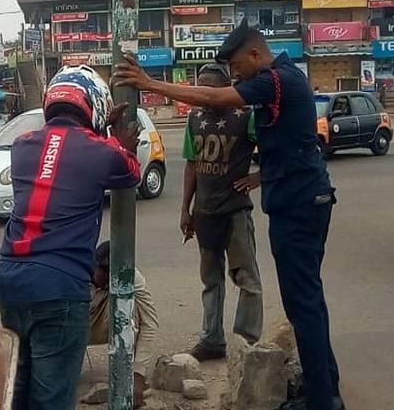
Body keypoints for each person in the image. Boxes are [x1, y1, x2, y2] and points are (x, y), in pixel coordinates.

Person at [114, 23, 345, 410]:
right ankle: (325, 387)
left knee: (302, 303)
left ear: (256, 54)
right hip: (304, 200)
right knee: (308, 302)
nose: (236, 75)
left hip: (299, 205)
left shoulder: (275, 81)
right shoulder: (283, 80)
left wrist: (149, 83)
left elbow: (213, 97)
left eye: (238, 67)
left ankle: (322, 401)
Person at [0, 65, 141, 410]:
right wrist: (118, 139)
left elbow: (64, 154)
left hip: (10, 280)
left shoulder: (21, 146)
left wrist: (101, 131)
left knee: (17, 386)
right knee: (52, 396)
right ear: (94, 105)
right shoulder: (103, 152)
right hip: (59, 287)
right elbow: (129, 171)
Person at [181, 64, 263, 361]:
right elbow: (191, 164)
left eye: (210, 88)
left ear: (225, 89)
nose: (204, 93)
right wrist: (185, 210)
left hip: (235, 210)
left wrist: (258, 177)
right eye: (200, 86)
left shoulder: (246, 116)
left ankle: (248, 345)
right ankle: (212, 340)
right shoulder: (194, 118)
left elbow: (277, 149)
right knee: (210, 281)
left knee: (247, 279)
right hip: (205, 213)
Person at [88, 241, 158, 408]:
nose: (105, 276)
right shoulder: (79, 270)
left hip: (103, 323)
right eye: (102, 271)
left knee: (132, 308)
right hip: (74, 327)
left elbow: (149, 324)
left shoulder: (130, 275)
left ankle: (124, 376)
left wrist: (138, 376)